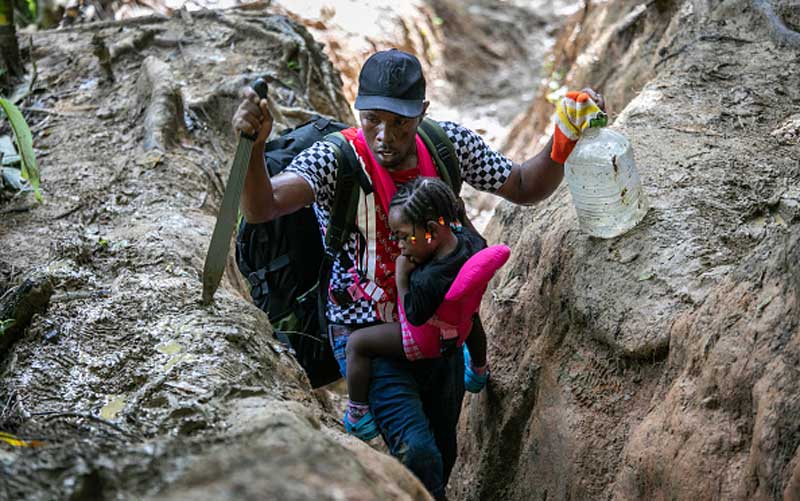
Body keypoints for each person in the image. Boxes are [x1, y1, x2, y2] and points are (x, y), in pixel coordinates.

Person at [232, 48, 603, 500]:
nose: (384, 136)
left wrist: (564, 134)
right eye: (372, 120)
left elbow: (526, 185)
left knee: (443, 452)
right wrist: (252, 149)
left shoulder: (448, 146)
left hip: (437, 326)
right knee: (419, 453)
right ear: (358, 110)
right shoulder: (336, 161)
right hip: (365, 333)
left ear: (422, 113)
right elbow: (263, 206)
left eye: (399, 123)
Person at [343, 177, 500, 439]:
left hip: (424, 340)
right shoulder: (471, 244)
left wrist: (402, 278)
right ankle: (479, 371)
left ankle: (359, 415)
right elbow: (476, 237)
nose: (399, 245)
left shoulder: (428, 278)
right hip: (462, 326)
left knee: (356, 343)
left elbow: (414, 316)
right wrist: (461, 216)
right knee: (472, 317)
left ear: (431, 230)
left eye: (404, 237)